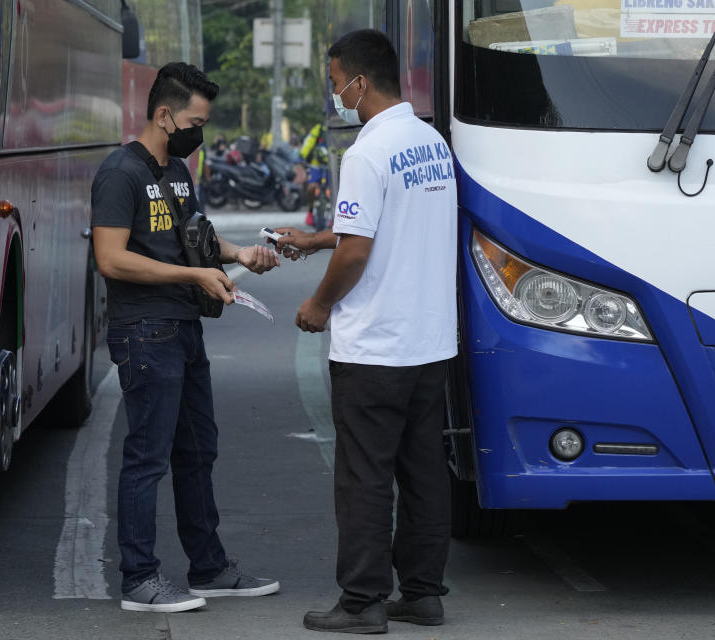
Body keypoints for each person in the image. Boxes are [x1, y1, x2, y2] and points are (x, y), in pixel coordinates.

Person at [278, 30, 458, 633]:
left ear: (359, 81)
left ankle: (362, 602)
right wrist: (314, 238)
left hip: (375, 347)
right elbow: (380, 226)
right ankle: (424, 594)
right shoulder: (431, 143)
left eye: (336, 84)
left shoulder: (366, 152)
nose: (336, 96)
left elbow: (358, 252)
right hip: (429, 344)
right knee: (424, 471)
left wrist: (319, 304)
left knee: (364, 477)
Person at [91, 62, 282, 614]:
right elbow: (110, 257)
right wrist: (190, 276)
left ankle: (210, 568)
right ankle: (139, 581)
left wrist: (239, 253)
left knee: (198, 451)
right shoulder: (120, 172)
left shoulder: (177, 169)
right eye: (194, 121)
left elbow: (195, 236)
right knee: (147, 457)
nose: (200, 133)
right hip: (145, 332)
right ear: (164, 114)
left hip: (184, 329)